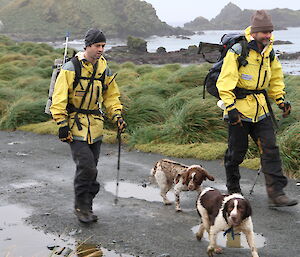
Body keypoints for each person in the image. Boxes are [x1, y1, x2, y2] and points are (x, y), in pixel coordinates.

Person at [216, 10, 298, 207]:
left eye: (270, 31)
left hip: (261, 109)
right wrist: (231, 107)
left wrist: (280, 100)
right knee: (237, 152)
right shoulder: (238, 50)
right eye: (264, 32)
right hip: (239, 109)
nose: (268, 35)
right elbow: (225, 81)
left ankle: (276, 193)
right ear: (254, 32)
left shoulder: (269, 52)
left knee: (270, 149)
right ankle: (233, 189)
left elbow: (276, 78)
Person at [50, 28, 126, 223]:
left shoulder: (104, 68)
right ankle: (80, 206)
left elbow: (111, 96)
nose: (101, 49)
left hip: (96, 127)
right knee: (87, 167)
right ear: (88, 46)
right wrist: (61, 124)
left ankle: (87, 208)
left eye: (103, 46)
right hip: (75, 127)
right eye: (97, 45)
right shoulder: (70, 67)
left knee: (92, 169)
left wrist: (116, 115)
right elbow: (58, 99)